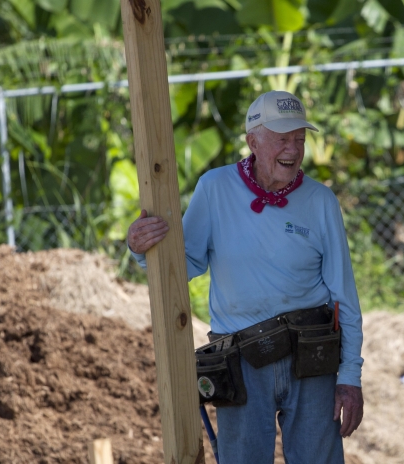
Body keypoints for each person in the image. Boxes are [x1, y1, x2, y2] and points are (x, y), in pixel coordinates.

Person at [126, 90, 364, 464]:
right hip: (241, 358)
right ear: (253, 141)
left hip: (312, 355)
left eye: (300, 139)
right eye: (282, 138)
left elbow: (345, 298)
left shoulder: (321, 202)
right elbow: (183, 265)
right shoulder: (215, 188)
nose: (293, 149)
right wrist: (143, 249)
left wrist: (350, 377)